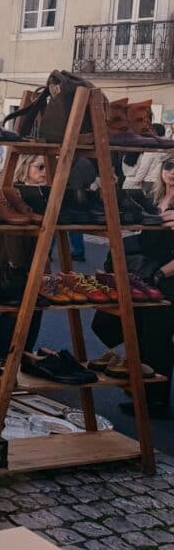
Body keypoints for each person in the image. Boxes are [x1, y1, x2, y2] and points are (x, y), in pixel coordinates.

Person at [130, 152, 174, 417]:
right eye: (169, 166)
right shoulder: (157, 198)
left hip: (167, 278)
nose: (171, 172)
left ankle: (157, 399)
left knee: (159, 340)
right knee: (142, 336)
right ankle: (142, 394)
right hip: (147, 275)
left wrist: (161, 274)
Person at [0, 154, 46, 357]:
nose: (44, 173)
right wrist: (17, 264)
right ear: (26, 167)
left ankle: (23, 357)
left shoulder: (42, 194)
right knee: (14, 312)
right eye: (39, 167)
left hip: (36, 261)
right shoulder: (14, 194)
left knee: (34, 311)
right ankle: (4, 359)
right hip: (16, 263)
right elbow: (11, 236)